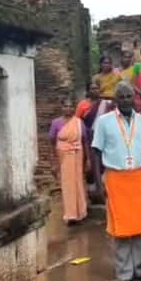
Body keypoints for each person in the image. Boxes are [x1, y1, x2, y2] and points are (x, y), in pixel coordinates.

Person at [92, 82, 141, 281]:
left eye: (129, 96)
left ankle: (138, 269)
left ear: (134, 98)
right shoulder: (104, 122)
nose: (126, 100)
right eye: (122, 96)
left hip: (138, 178)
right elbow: (96, 152)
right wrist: (99, 184)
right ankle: (124, 274)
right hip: (116, 179)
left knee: (140, 228)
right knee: (121, 230)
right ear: (115, 100)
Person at [49, 95, 90, 225]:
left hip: (78, 154)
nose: (68, 108)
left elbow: (85, 141)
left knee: (78, 183)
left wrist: (88, 159)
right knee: (67, 184)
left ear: (74, 108)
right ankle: (70, 214)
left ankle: (81, 212)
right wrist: (53, 161)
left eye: (70, 106)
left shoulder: (79, 122)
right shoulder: (56, 123)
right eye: (65, 106)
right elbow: (51, 141)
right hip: (63, 156)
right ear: (61, 108)